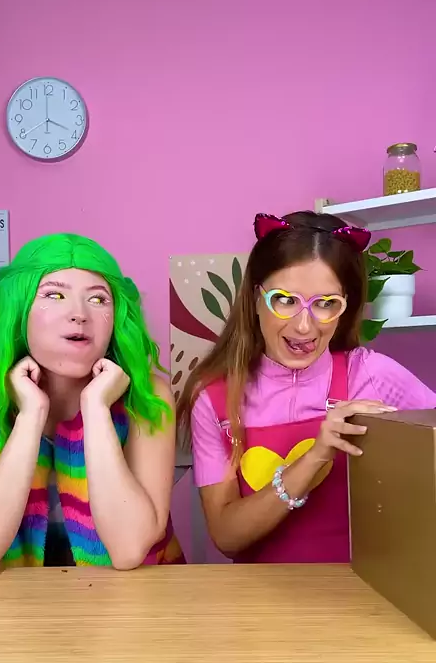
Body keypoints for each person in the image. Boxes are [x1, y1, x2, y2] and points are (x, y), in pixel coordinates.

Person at [177, 210, 436, 563]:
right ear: (256, 299)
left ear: (345, 308)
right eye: (285, 300)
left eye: (326, 304)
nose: (304, 326)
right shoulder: (213, 399)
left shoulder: (371, 375)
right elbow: (227, 537)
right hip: (256, 593)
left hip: (361, 590)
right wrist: (316, 457)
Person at [0, 233, 183, 575]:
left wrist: (96, 408)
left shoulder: (148, 397)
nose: (79, 314)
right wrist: (31, 415)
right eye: (55, 295)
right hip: (14, 602)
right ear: (18, 310)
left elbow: (129, 549)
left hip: (138, 598)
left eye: (98, 299)